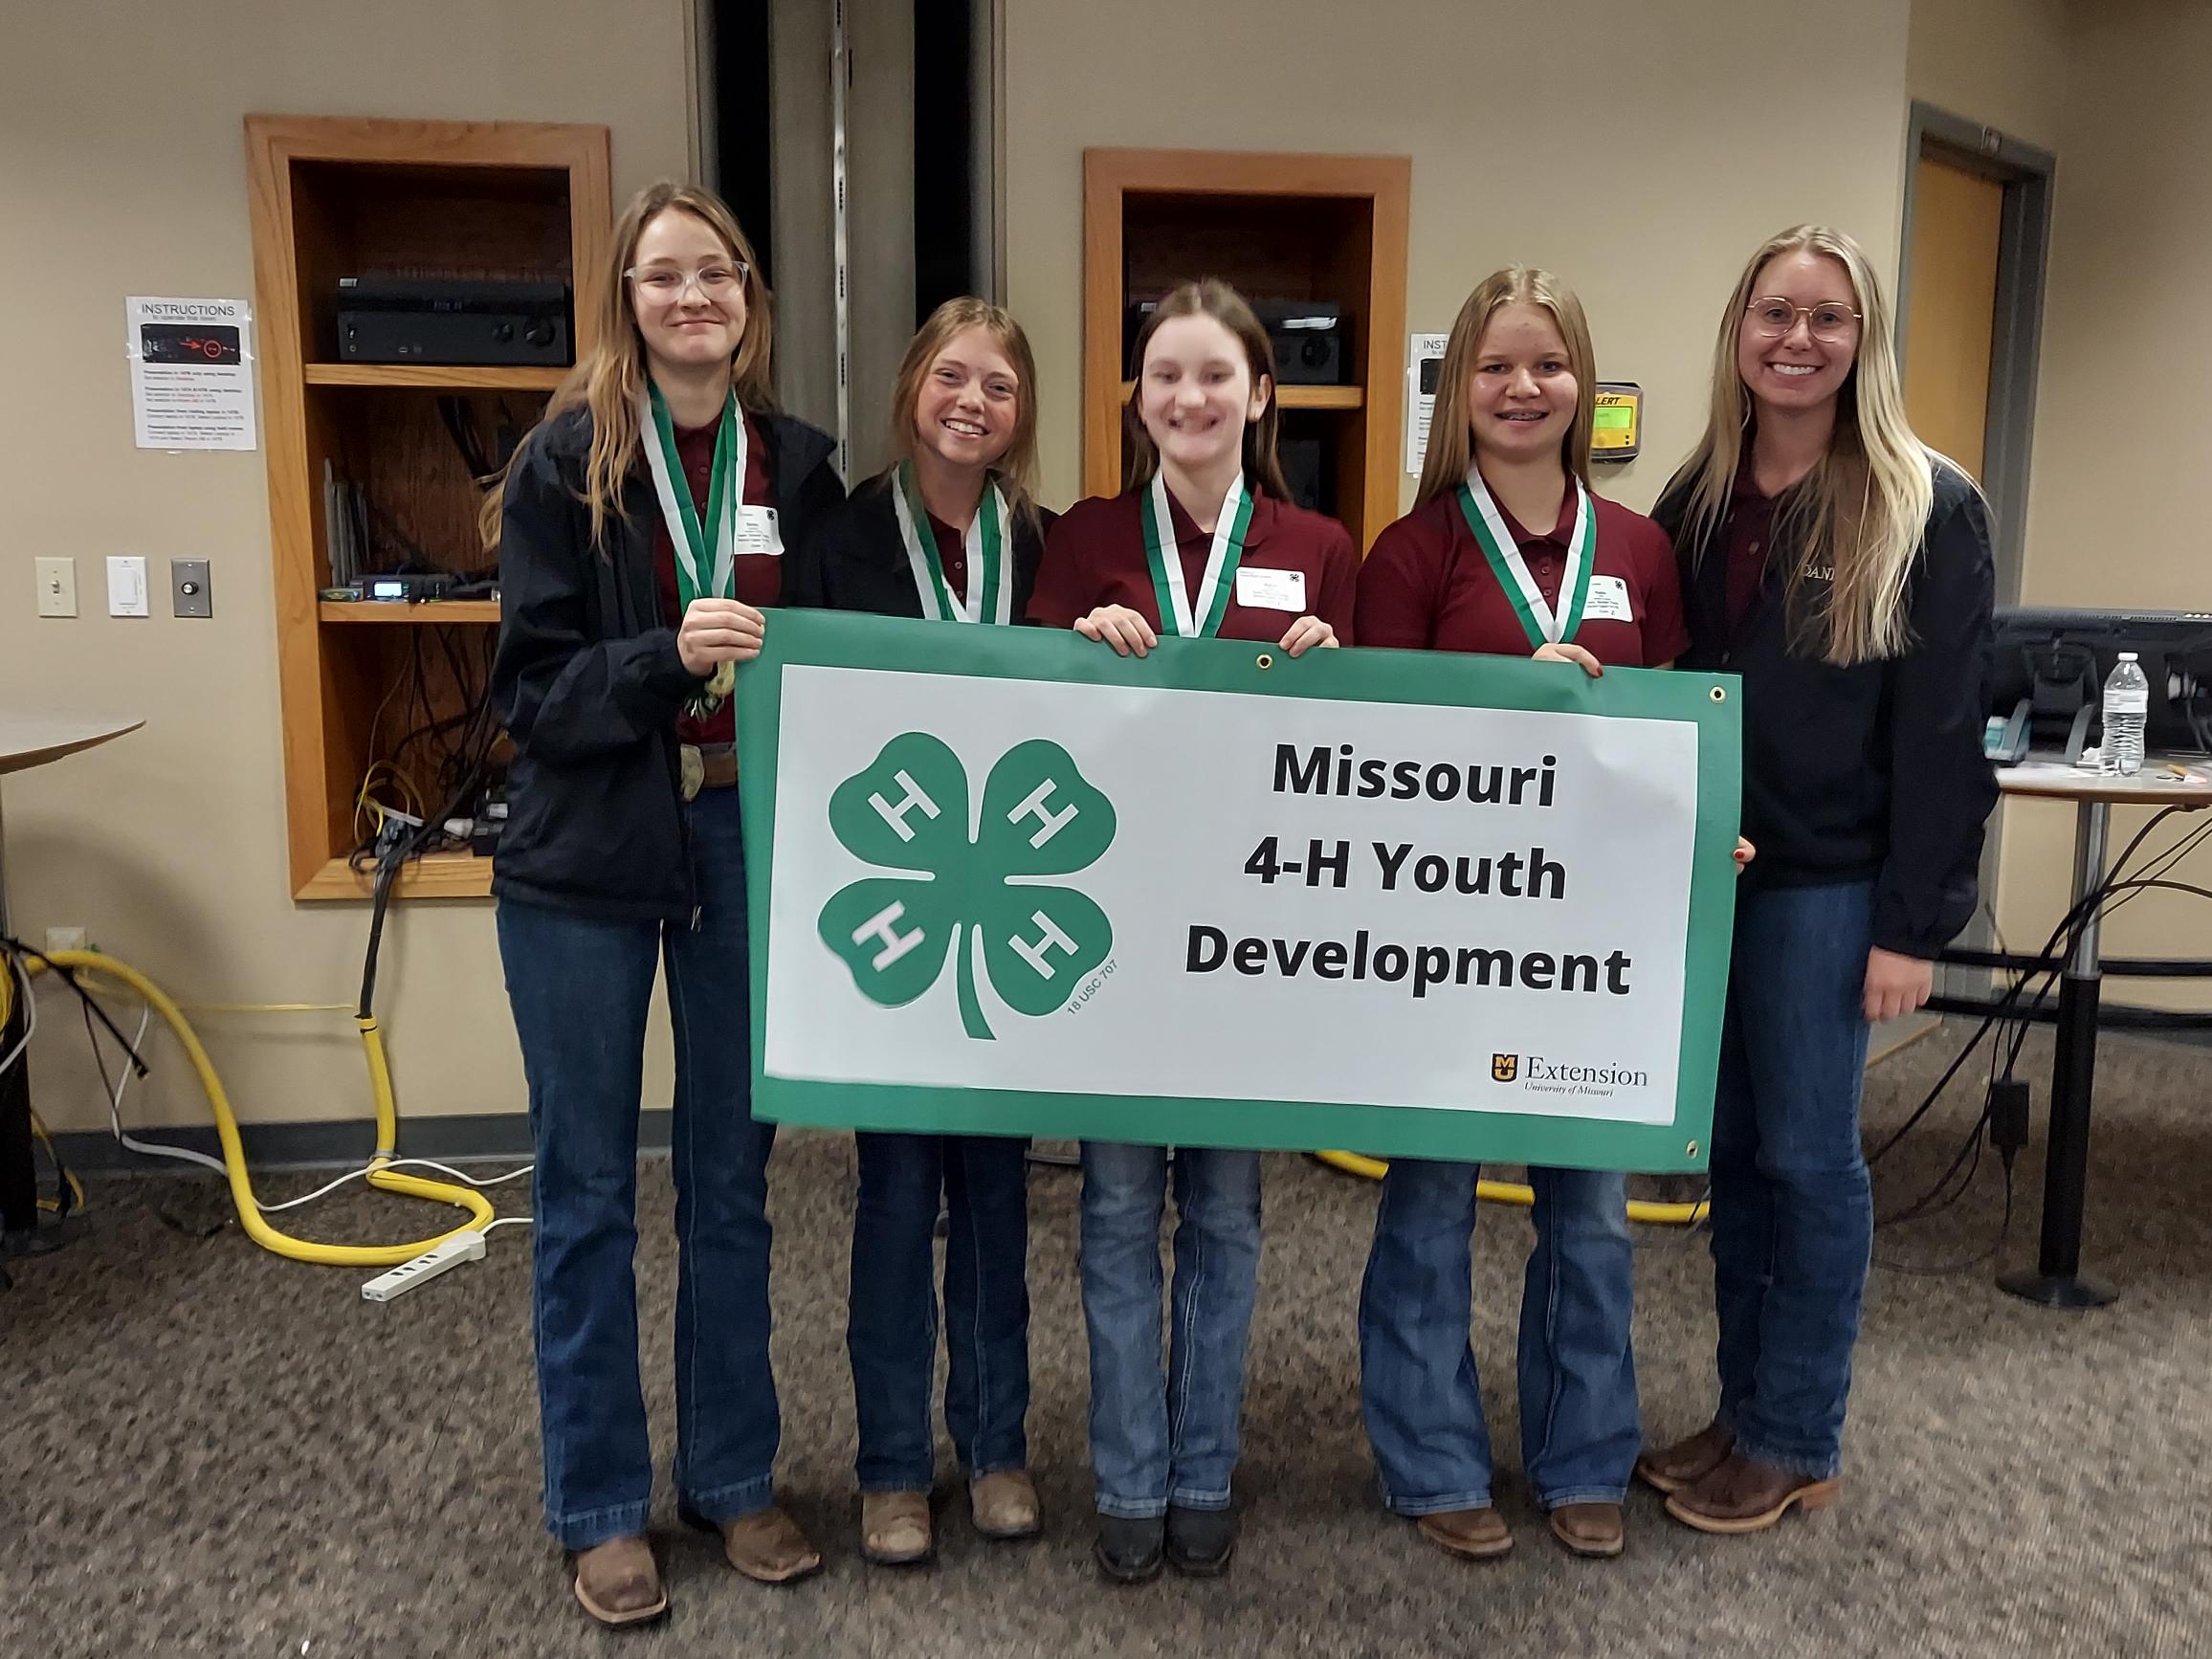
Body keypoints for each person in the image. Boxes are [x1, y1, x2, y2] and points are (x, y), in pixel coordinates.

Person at [486, 179, 843, 1625]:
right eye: (662, 276)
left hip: (744, 844)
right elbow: (528, 692)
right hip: (584, 860)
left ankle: (736, 1473)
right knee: (584, 1197)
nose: (692, 297)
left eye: (716, 275)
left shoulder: (803, 471)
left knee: (732, 1188)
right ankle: (596, 1504)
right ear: (627, 299)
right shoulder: (564, 464)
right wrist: (662, 658)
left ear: (748, 300)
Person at [1636, 225, 1995, 1535]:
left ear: (1863, 340)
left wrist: (1914, 926)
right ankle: (1741, 1412)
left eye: (1827, 318)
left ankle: (1796, 1432)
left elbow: (1944, 734)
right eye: (1774, 313)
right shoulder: (1695, 497)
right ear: (1738, 331)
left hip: (1833, 889)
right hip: (1713, 885)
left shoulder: (1925, 502)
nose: (1798, 338)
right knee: (1728, 1157)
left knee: (1807, 1158)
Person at [1352, 266, 1690, 1563]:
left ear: (1580, 382)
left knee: (1591, 1209)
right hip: (1443, 931)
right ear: (1459, 389)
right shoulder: (1414, 550)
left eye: (1545, 362)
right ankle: (1432, 1458)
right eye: (1494, 366)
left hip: (1591, 940)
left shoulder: (1644, 550)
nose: (1521, 386)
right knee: (1431, 1202)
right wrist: (1516, 708)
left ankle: (1584, 1453)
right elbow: (1371, 749)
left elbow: (1679, 730)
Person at [1028, 277, 1359, 1582]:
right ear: (1137, 397)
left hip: (1255, 932)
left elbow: (1384, 752)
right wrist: (1072, 640)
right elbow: (1024, 710)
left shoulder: (1322, 544)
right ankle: (1125, 1480)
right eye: (1166, 375)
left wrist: (1341, 657)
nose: (1191, 398)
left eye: (1217, 375)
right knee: (1115, 1210)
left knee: (1224, 1211)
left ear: (1260, 393)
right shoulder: (1083, 536)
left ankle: (1204, 1471)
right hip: (1115, 926)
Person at [787, 298, 1053, 1566]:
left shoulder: (1043, 545)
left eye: (999, 386)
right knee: (895, 1197)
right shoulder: (837, 538)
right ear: (911, 389)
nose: (974, 402)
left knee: (998, 1199)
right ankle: (893, 1462)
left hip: (1010, 907)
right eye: (954, 376)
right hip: (893, 907)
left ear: (1020, 414)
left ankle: (996, 1445)